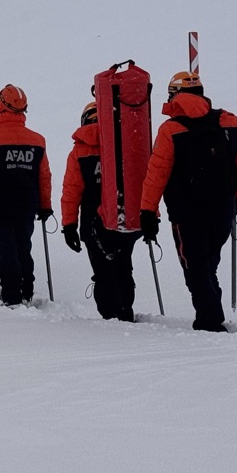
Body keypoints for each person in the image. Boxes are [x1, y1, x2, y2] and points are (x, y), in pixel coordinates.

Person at [140, 71, 237, 332]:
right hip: (223, 209)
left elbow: (156, 174)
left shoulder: (171, 130)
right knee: (208, 264)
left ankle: (210, 321)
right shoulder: (230, 122)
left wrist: (148, 211)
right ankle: (212, 313)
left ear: (174, 96)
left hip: (187, 213)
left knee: (195, 268)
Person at [0, 85, 52, 308]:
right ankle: (27, 291)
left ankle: (13, 295)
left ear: (0, 105)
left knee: (6, 249)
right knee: (24, 246)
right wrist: (45, 206)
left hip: (0, 204)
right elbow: (44, 177)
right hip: (27, 203)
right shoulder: (37, 140)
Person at [61, 101, 138, 321]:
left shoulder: (79, 152)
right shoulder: (125, 144)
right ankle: (125, 311)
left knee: (103, 271)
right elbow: (140, 181)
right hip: (125, 220)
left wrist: (69, 225)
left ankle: (110, 316)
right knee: (124, 267)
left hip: (93, 224)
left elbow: (71, 192)